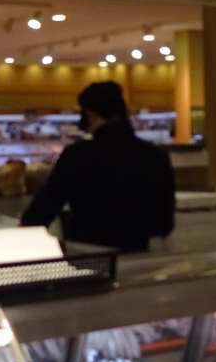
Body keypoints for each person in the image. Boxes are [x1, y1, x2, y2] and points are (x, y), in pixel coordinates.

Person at [21, 81, 176, 252]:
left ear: (90, 114)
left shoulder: (78, 154)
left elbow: (44, 208)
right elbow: (164, 223)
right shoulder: (156, 156)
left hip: (88, 254)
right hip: (140, 253)